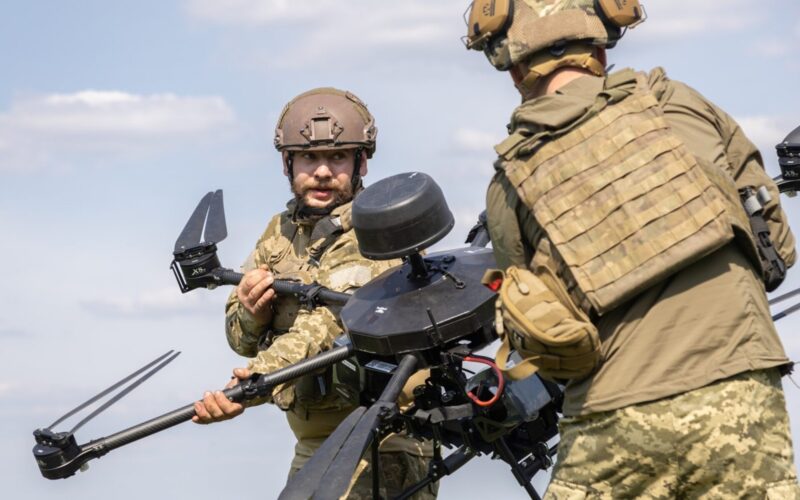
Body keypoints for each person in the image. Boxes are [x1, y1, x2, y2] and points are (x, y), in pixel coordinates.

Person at [464, 1, 799, 498]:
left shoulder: (509, 180)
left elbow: (535, 328)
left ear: (514, 70)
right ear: (600, 46)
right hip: (740, 393)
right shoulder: (681, 103)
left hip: (610, 418)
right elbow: (778, 248)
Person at [191, 87, 436, 499]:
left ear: (361, 162)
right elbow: (238, 337)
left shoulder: (377, 229)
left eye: (337, 157)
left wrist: (250, 386)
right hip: (315, 444)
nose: (322, 172)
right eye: (309, 158)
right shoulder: (279, 234)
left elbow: (328, 327)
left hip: (384, 439)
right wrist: (252, 312)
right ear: (288, 164)